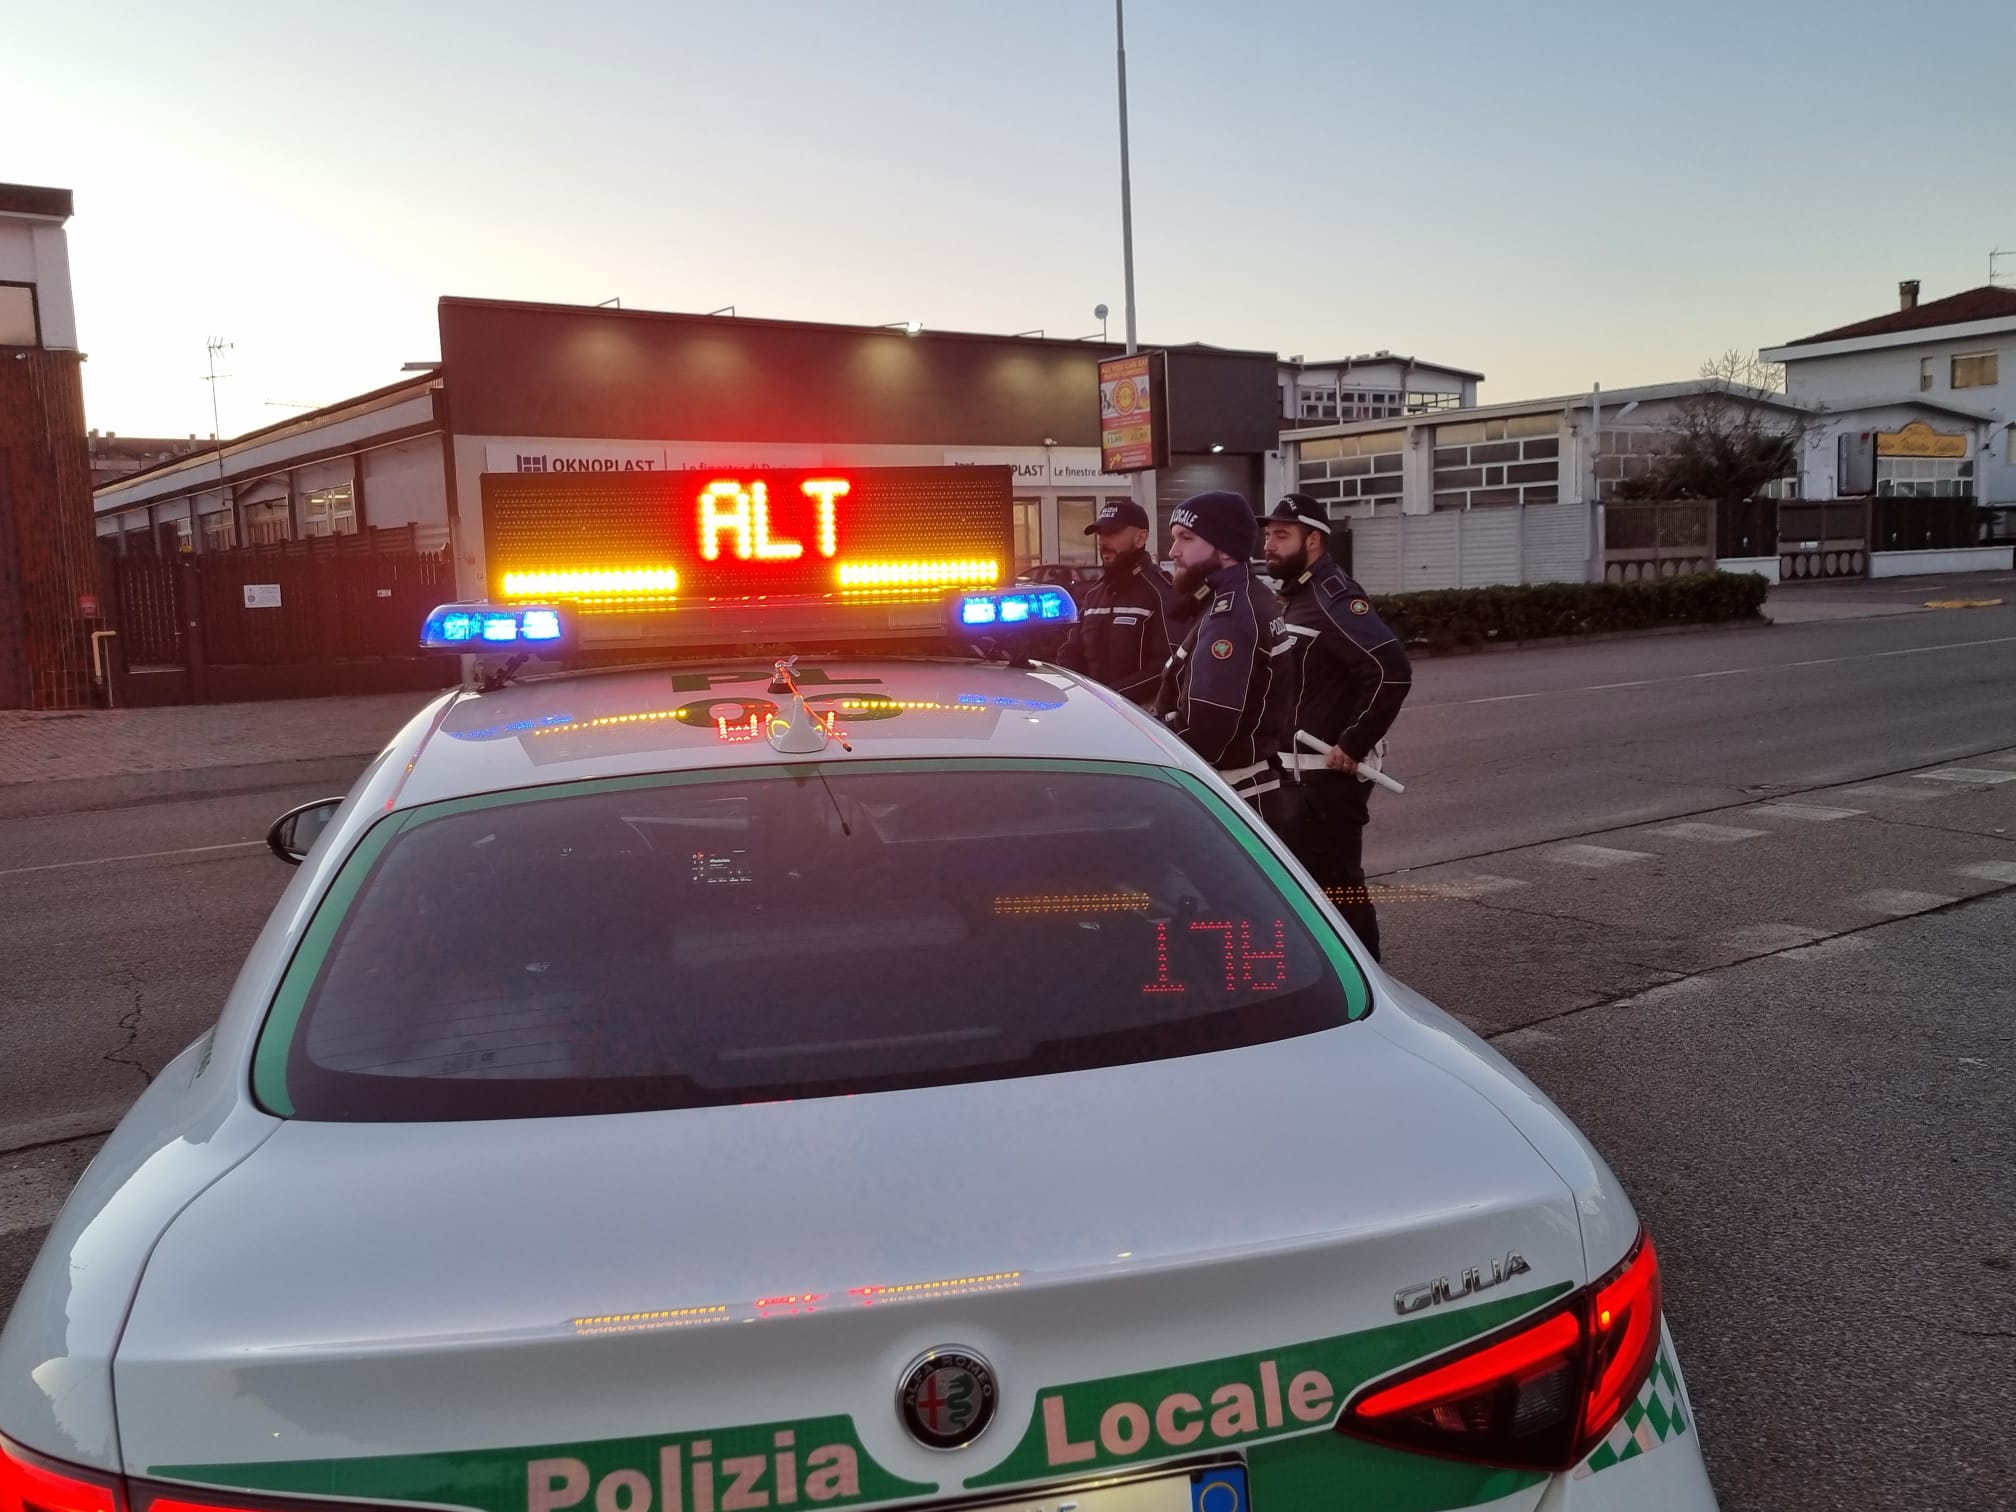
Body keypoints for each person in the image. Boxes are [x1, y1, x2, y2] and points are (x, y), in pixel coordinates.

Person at [1258, 493, 1412, 962]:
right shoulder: (1299, 597)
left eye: (1281, 535)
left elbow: (1391, 670)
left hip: (1326, 778)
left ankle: (1370, 988)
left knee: (1339, 890)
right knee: (1311, 891)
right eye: (1268, 534)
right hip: (1299, 776)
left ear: (1314, 542)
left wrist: (1354, 741)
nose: (1269, 544)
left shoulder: (1333, 599)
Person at [1155, 490, 1287, 807]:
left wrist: (1150, 741)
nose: (1173, 551)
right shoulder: (1241, 596)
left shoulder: (1229, 616)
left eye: (1185, 538)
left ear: (1225, 548)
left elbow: (1207, 732)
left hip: (1233, 795)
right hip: (1240, 789)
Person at [1053, 500, 1182, 707]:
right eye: (1100, 534)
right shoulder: (1094, 594)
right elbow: (1071, 652)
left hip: (1142, 722)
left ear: (1140, 538)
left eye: (1112, 533)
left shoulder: (1160, 592)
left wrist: (1112, 699)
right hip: (1093, 713)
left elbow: (1167, 664)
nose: (1103, 541)